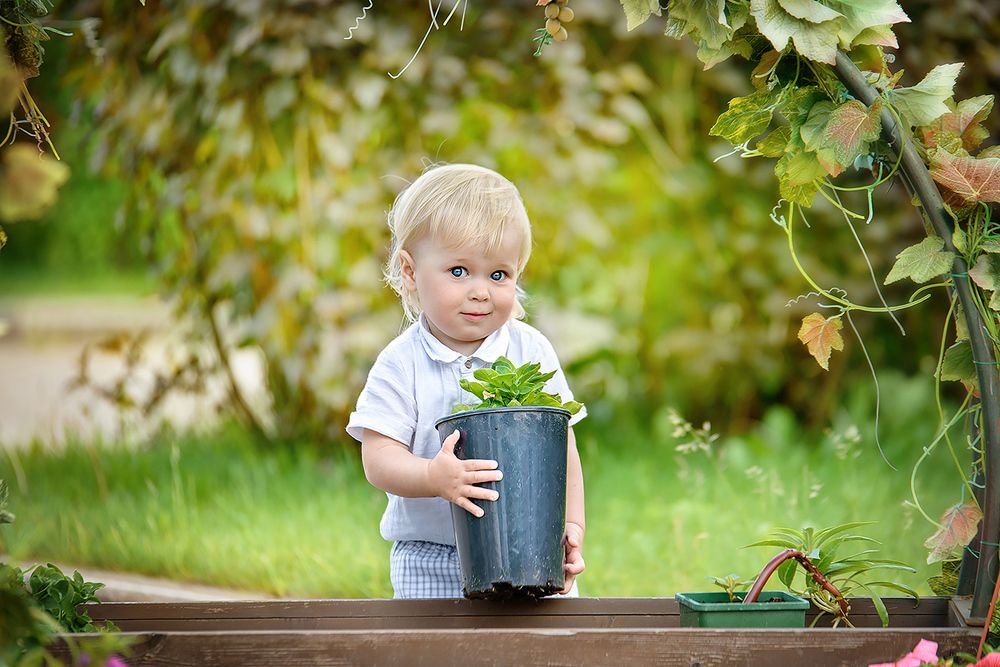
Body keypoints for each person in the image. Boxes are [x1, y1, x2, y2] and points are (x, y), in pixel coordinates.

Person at [346, 163, 587, 599]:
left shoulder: (530, 351)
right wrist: (433, 478)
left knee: (547, 650)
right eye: (459, 271)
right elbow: (378, 457)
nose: (481, 290)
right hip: (432, 557)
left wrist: (570, 525)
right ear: (410, 271)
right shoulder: (402, 363)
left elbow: (561, 447)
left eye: (499, 275)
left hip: (528, 550)